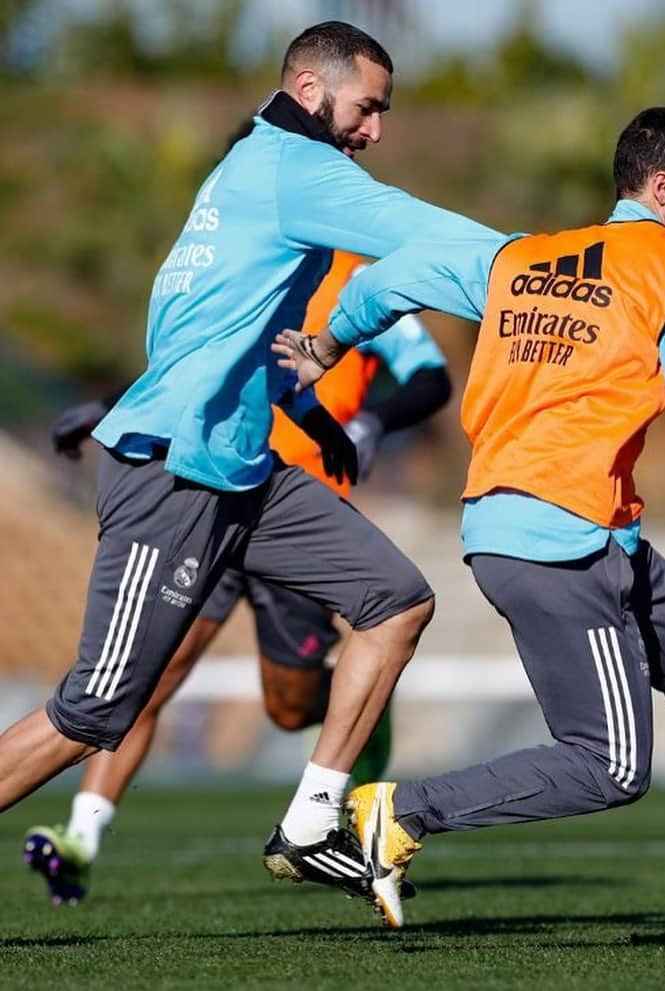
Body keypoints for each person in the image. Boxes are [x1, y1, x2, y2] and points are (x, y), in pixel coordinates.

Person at [275, 106, 665, 929]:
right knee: (610, 764)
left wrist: (330, 344)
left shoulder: (520, 257)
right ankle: (401, 811)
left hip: (574, 532)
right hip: (556, 544)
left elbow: (391, 278)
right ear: (663, 185)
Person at [0, 19, 501, 908]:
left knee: (396, 602)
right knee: (94, 713)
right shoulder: (296, 171)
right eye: (368, 108)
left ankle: (312, 821)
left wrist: (307, 408)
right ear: (311, 90)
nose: (376, 130)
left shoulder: (243, 173)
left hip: (243, 467)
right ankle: (85, 837)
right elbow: (425, 232)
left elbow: (206, 328)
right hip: (174, 475)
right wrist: (547, 270)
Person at [24, 249, 450, 905]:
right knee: (145, 678)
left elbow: (429, 377)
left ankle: (357, 706)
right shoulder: (249, 263)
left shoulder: (360, 283)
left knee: (288, 706)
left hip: (292, 510)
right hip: (207, 493)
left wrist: (367, 422)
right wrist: (108, 409)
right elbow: (193, 369)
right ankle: (82, 836)